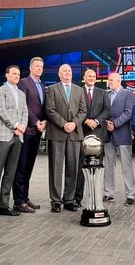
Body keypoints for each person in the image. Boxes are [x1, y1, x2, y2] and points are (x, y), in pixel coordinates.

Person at [0, 65, 28, 221]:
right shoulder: (0, 91)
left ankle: (3, 206)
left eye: (18, 74)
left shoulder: (22, 94)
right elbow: (1, 111)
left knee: (10, 174)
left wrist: (22, 126)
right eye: (13, 73)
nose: (16, 76)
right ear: (7, 75)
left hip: (18, 137)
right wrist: (16, 125)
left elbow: (25, 113)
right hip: (3, 136)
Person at [45, 64, 87, 212]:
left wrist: (74, 124)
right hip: (57, 133)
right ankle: (56, 201)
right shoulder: (52, 89)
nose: (67, 73)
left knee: (73, 167)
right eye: (64, 71)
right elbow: (49, 110)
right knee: (55, 168)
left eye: (69, 71)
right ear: (59, 74)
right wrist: (64, 124)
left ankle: (69, 199)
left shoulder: (79, 90)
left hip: (75, 134)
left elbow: (83, 111)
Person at [13, 57, 47, 213]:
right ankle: (18, 201)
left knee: (29, 167)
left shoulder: (42, 85)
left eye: (41, 66)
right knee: (21, 166)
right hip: (26, 130)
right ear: (31, 67)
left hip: (37, 132)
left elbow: (43, 107)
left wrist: (44, 121)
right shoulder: (24, 82)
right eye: (37, 66)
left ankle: (25, 197)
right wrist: (35, 121)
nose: (39, 68)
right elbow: (24, 105)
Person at [74, 68, 110, 206]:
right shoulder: (78, 91)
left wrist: (95, 121)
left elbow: (107, 110)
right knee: (80, 167)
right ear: (84, 77)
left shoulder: (102, 93)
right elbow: (75, 109)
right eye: (89, 76)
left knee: (97, 167)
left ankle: (95, 197)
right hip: (81, 133)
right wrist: (85, 120)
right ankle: (77, 198)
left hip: (98, 133)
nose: (91, 78)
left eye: (94, 76)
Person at [103, 72, 135, 205]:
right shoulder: (106, 94)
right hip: (108, 135)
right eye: (109, 80)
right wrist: (107, 124)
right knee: (108, 166)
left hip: (122, 134)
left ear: (119, 80)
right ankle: (108, 193)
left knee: (126, 166)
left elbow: (128, 112)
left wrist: (115, 124)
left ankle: (130, 194)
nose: (109, 82)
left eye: (112, 80)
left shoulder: (128, 94)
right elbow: (104, 111)